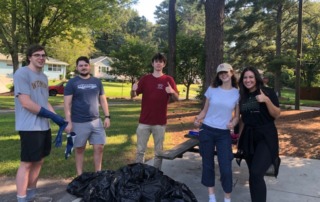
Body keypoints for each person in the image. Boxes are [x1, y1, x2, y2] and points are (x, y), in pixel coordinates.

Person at [14, 44, 68, 202]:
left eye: (43, 55)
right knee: (27, 163)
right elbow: (25, 103)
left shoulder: (43, 77)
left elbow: (44, 102)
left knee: (39, 161)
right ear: (29, 57)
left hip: (44, 126)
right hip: (29, 127)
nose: (41, 58)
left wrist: (58, 119)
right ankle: (21, 199)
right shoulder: (22, 73)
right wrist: (51, 115)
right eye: (37, 55)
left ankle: (31, 196)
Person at [194, 63, 239, 202]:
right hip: (207, 130)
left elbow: (237, 116)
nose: (223, 75)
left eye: (225, 72)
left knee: (225, 167)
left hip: (223, 134)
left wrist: (233, 123)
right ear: (218, 75)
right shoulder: (212, 89)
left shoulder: (237, 93)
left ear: (231, 73)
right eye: (220, 73)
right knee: (207, 164)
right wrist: (197, 119)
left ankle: (227, 198)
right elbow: (205, 110)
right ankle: (211, 197)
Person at [236, 66, 281, 202]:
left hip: (266, 136)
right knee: (254, 175)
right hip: (248, 137)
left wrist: (266, 100)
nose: (248, 80)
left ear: (256, 78)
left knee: (256, 173)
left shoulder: (267, 92)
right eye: (245, 77)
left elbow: (277, 114)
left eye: (251, 77)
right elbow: (243, 119)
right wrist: (239, 139)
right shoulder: (243, 96)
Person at [131, 53, 179, 170]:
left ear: (164, 64)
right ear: (152, 63)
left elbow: (177, 98)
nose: (158, 63)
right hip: (144, 122)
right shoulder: (145, 79)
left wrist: (172, 92)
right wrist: (133, 90)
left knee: (158, 153)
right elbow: (133, 96)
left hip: (160, 123)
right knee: (140, 151)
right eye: (156, 61)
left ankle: (156, 174)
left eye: (161, 61)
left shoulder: (168, 80)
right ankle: (139, 172)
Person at [64, 56, 111, 175]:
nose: (83, 68)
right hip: (78, 122)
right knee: (79, 149)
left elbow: (103, 100)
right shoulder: (72, 83)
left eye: (85, 65)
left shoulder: (97, 82)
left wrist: (107, 116)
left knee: (99, 147)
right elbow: (67, 104)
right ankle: (79, 175)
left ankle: (98, 174)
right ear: (77, 67)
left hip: (96, 121)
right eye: (81, 65)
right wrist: (68, 122)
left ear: (89, 66)